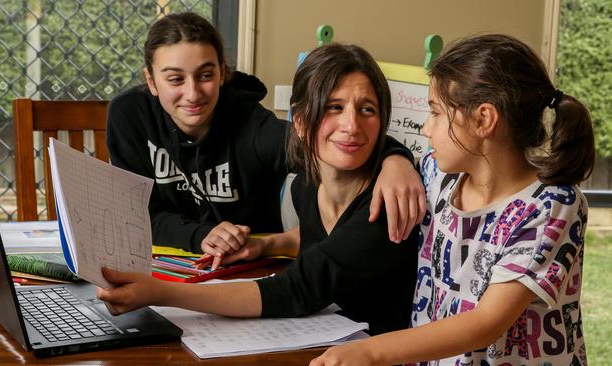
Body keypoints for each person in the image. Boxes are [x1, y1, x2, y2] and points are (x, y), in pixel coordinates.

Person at [97, 43, 419, 336]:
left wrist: (160, 292)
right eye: (334, 107)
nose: (352, 125)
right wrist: (266, 246)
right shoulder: (308, 182)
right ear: (302, 121)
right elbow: (324, 234)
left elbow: (296, 289)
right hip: (327, 341)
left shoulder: (385, 204)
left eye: (367, 110)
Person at [311, 34, 593, 366]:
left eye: (435, 112)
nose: (425, 127)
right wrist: (395, 161)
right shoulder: (436, 175)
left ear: (483, 119)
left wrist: (370, 351)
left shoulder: (552, 205)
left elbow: (486, 323)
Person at [106, 12, 425, 268]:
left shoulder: (251, 124)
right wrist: (202, 234)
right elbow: (136, 212)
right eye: (175, 78)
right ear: (151, 80)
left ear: (222, 72)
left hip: (247, 263)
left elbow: (327, 143)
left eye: (206, 75)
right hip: (161, 257)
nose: (193, 93)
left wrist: (395, 157)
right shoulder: (129, 115)